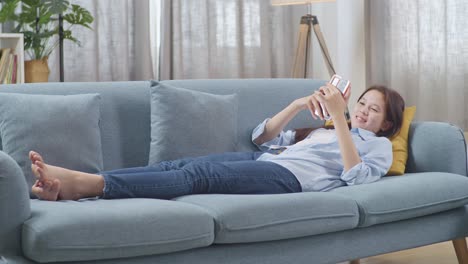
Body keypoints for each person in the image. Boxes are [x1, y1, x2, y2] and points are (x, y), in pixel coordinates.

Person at [30, 83, 405, 201]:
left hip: (290, 180)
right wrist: (296, 104)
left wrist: (338, 117)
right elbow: (261, 138)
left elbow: (355, 176)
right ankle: (77, 186)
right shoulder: (324, 129)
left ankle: (89, 185)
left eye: (373, 110)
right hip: (267, 163)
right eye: (361, 104)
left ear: (386, 123)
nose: (363, 112)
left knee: (200, 175)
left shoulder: (378, 147)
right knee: (177, 165)